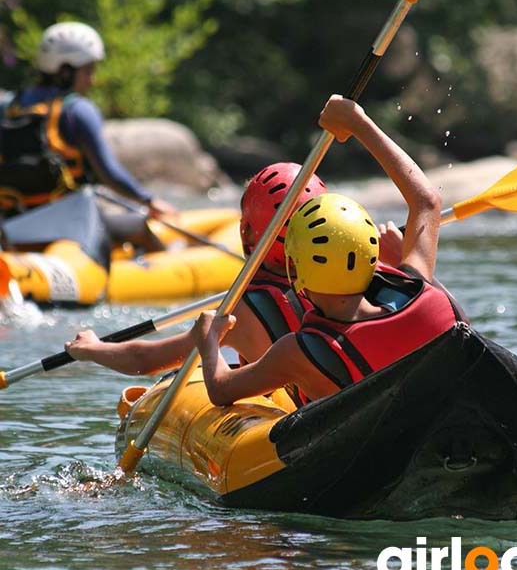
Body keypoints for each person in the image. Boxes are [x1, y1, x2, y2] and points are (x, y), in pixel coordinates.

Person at [191, 95, 467, 405]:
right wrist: (359, 123)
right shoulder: (425, 294)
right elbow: (427, 201)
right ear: (371, 256)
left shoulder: (299, 351)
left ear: (297, 272)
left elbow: (220, 389)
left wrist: (209, 342)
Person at [65, 162, 329, 406]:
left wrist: (93, 349)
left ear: (246, 231)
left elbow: (144, 360)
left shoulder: (239, 312)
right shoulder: (352, 280)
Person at [0, 21, 174, 252]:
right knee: (139, 227)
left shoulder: (7, 106)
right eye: (88, 71)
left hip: (11, 226)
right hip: (69, 223)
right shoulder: (77, 110)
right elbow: (109, 172)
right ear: (65, 71)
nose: (92, 80)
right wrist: (149, 201)